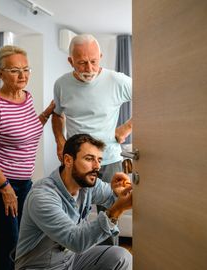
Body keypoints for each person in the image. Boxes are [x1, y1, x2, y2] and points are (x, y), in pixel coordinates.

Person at [52, 34, 133, 244]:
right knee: (73, 219)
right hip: (76, 163)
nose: (89, 68)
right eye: (81, 63)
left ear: (101, 57)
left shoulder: (117, 80)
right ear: (70, 61)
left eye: (94, 61)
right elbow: (57, 114)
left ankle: (109, 260)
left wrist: (127, 127)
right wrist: (60, 140)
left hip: (109, 161)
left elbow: (151, 98)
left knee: (110, 217)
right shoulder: (61, 84)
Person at [15, 134, 133, 270]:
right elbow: (75, 241)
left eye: (99, 160)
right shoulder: (42, 197)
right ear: (68, 160)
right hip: (41, 266)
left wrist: (118, 193)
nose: (97, 166)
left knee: (121, 257)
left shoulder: (88, 184)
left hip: (71, 259)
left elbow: (114, 199)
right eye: (89, 159)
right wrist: (116, 211)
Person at [0, 45, 55, 270]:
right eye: (15, 70)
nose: (22, 75)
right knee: (8, 241)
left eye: (26, 69)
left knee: (24, 240)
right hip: (4, 185)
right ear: (0, 74)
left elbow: (30, 130)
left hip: (25, 182)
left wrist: (47, 113)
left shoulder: (27, 98)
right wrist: (5, 187)